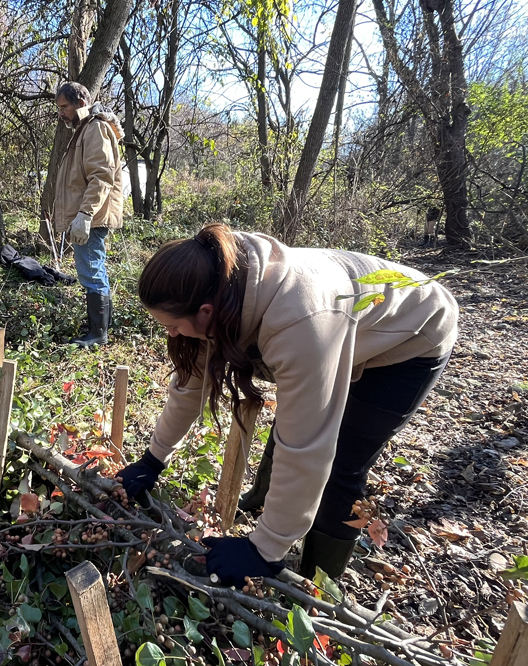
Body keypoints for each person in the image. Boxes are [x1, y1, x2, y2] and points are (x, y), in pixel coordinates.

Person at [117, 223, 459, 584]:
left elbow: (307, 444)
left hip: (412, 335)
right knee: (295, 421)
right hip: (342, 323)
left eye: (171, 326)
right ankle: (263, 504)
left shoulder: (301, 324)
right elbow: (189, 387)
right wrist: (152, 459)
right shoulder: (221, 287)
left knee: (343, 463)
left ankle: (320, 580)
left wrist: (265, 550)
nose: (169, 334)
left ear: (204, 312)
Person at [52, 82, 124, 347]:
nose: (61, 113)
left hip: (91, 216)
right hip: (87, 215)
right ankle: (99, 327)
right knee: (91, 269)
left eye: (64, 107)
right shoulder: (85, 128)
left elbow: (101, 176)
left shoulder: (95, 128)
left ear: (81, 102)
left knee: (91, 270)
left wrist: (84, 214)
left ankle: (98, 334)